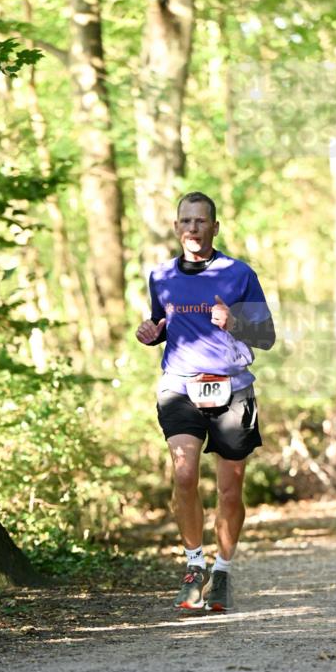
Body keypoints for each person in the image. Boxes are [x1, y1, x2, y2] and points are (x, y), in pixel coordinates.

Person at [136, 191, 275, 613]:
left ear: (215, 227)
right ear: (176, 228)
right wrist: (153, 332)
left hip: (231, 387)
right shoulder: (160, 277)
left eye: (201, 221)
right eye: (185, 221)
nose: (192, 228)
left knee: (231, 491)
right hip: (180, 385)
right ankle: (194, 566)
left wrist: (233, 321)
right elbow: (167, 324)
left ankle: (224, 571)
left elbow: (265, 336)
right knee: (184, 475)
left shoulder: (239, 274)